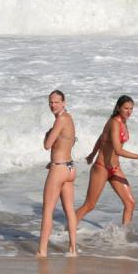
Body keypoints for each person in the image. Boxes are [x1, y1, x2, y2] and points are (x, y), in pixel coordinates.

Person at [75, 95, 138, 226]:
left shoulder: (123, 122)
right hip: (101, 168)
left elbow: (102, 137)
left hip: (115, 168)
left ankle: (124, 237)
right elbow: (117, 150)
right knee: (90, 205)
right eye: (126, 108)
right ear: (118, 108)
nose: (129, 112)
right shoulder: (114, 123)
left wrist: (92, 154)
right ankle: (68, 229)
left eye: (131, 109)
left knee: (130, 203)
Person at [37, 90, 77, 257]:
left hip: (59, 169)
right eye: (51, 102)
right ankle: (73, 249)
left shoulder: (60, 120)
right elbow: (71, 141)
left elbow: (47, 145)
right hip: (70, 168)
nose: (53, 105)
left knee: (47, 210)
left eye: (56, 102)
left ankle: (42, 250)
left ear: (64, 102)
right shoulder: (69, 118)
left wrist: (47, 135)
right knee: (69, 210)